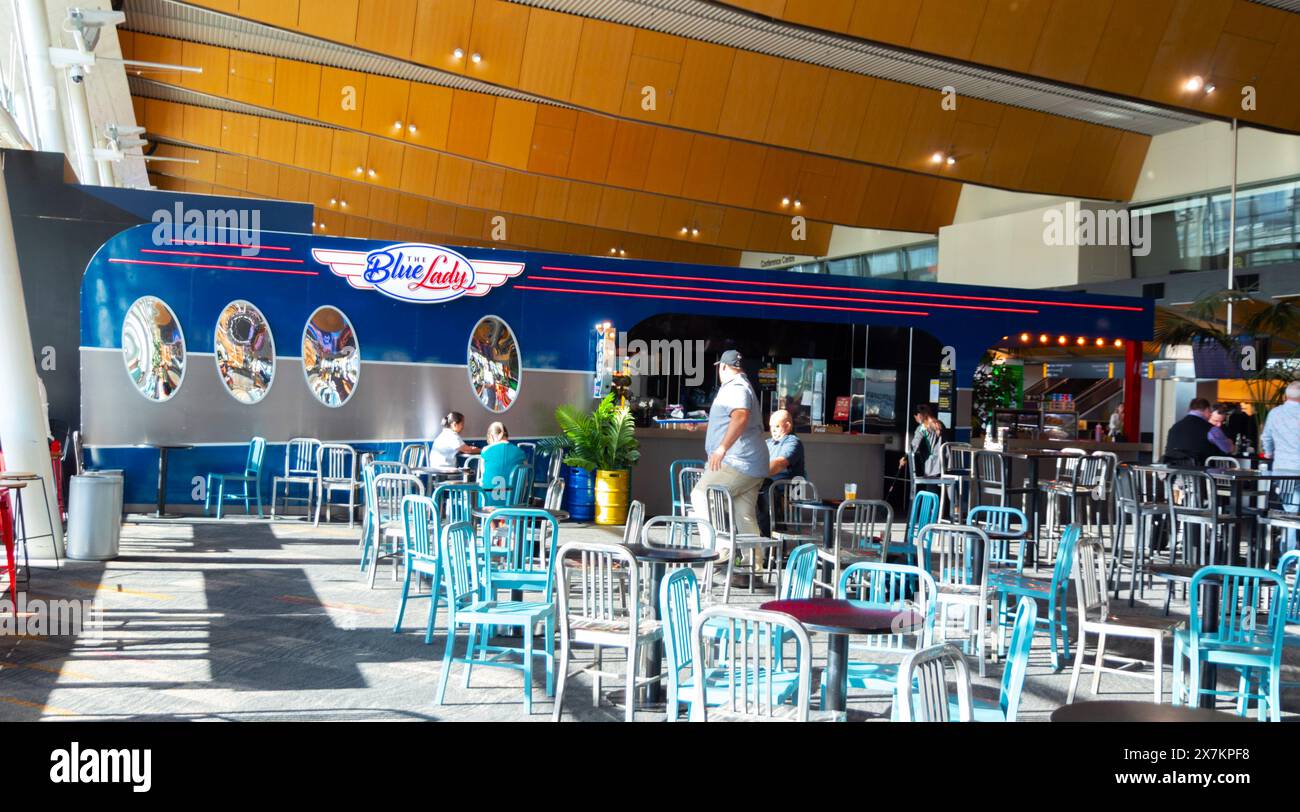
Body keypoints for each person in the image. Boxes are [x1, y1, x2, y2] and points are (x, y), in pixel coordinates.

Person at [689, 350, 769, 582]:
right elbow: (730, 420)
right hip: (752, 464)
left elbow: (741, 417)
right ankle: (752, 571)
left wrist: (722, 448)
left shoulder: (735, 388)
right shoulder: (741, 386)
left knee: (701, 494)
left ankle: (719, 549)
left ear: (723, 367)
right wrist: (704, 427)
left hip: (738, 461)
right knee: (744, 516)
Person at [1262, 382, 1300, 550]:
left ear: (1286, 396)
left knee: (1290, 510)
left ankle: (1288, 552)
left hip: (1283, 470)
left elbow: (1267, 438)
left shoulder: (1275, 413)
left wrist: (1269, 453)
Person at [757, 409, 806, 535]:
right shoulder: (768, 443)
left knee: (766, 487)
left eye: (777, 426)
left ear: (788, 426)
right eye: (771, 426)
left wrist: (756, 471)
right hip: (767, 484)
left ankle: (770, 540)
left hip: (787, 489)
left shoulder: (793, 442)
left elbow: (779, 463)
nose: (773, 430)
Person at [1161, 398, 1220, 467]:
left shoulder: (1175, 427)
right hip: (1201, 472)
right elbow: (1227, 449)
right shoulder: (1210, 429)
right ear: (1207, 410)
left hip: (1173, 472)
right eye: (1210, 411)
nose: (1210, 414)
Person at [479, 421, 526, 507]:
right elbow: (525, 479)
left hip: (489, 503)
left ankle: (487, 520)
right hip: (514, 502)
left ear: (491, 436)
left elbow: (483, 475)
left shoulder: (486, 451)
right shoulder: (520, 452)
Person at [899, 404, 944, 480]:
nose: (916, 420)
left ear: (919, 416)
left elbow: (914, 446)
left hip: (933, 467)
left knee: (931, 490)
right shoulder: (940, 424)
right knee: (947, 489)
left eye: (915, 418)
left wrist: (904, 458)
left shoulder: (922, 427)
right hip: (946, 464)